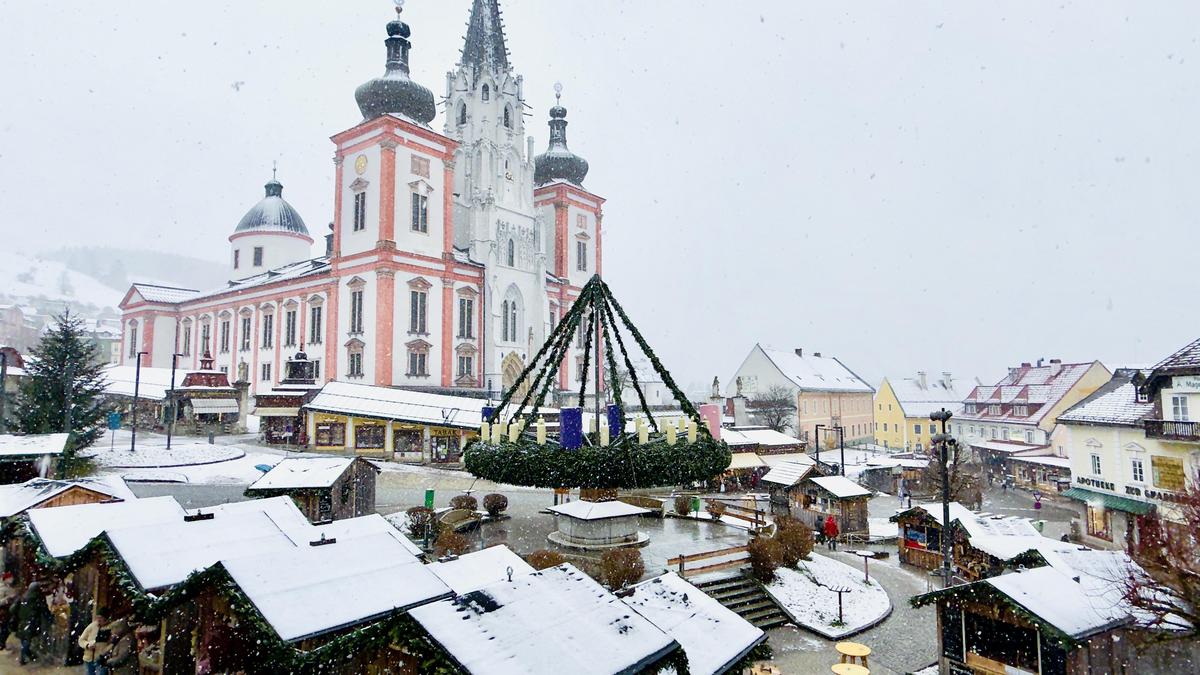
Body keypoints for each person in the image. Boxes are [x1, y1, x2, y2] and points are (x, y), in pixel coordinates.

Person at [15, 581, 50, 664]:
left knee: (24, 639)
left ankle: (27, 655)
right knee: (27, 640)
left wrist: (19, 613)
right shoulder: (38, 598)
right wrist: (49, 618)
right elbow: (44, 610)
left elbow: (12, 609)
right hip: (32, 622)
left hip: (22, 622)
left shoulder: (22, 597)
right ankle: (25, 656)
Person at [79, 609, 110, 675]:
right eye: (97, 617)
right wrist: (87, 645)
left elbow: (111, 644)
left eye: (101, 617)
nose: (98, 620)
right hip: (88, 659)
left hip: (101, 660)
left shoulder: (110, 627)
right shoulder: (92, 626)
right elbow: (81, 640)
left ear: (105, 618)